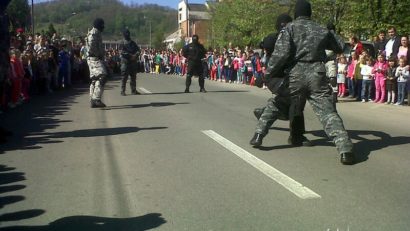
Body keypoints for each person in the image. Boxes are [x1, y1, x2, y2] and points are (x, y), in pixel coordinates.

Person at [264, 0, 355, 165]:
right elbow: (342, 46)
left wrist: (268, 73)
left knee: (293, 106)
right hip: (317, 74)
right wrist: (331, 31)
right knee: (328, 113)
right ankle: (345, 148)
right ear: (310, 13)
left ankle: (293, 135)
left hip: (296, 74)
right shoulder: (321, 29)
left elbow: (281, 54)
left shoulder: (290, 28)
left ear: (296, 14)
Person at [250, 13, 311, 148]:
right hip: (278, 78)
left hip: (285, 78)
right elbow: (272, 56)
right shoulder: (276, 38)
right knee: (287, 105)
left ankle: (261, 130)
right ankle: (295, 136)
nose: (285, 27)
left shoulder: (292, 38)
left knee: (290, 105)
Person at [86, 18, 107, 108]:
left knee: (95, 78)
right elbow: (91, 47)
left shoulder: (97, 33)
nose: (103, 27)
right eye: (102, 25)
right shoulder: (93, 33)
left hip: (95, 58)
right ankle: (96, 99)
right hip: (94, 58)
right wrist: (99, 54)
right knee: (103, 75)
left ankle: (93, 99)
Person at [119, 29, 141, 96]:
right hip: (125, 62)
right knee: (124, 77)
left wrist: (135, 55)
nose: (127, 35)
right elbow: (121, 52)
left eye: (128, 33)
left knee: (133, 77)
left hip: (133, 62)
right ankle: (122, 91)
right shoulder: (122, 43)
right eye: (126, 34)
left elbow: (138, 50)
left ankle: (133, 90)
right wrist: (130, 55)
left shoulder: (133, 43)